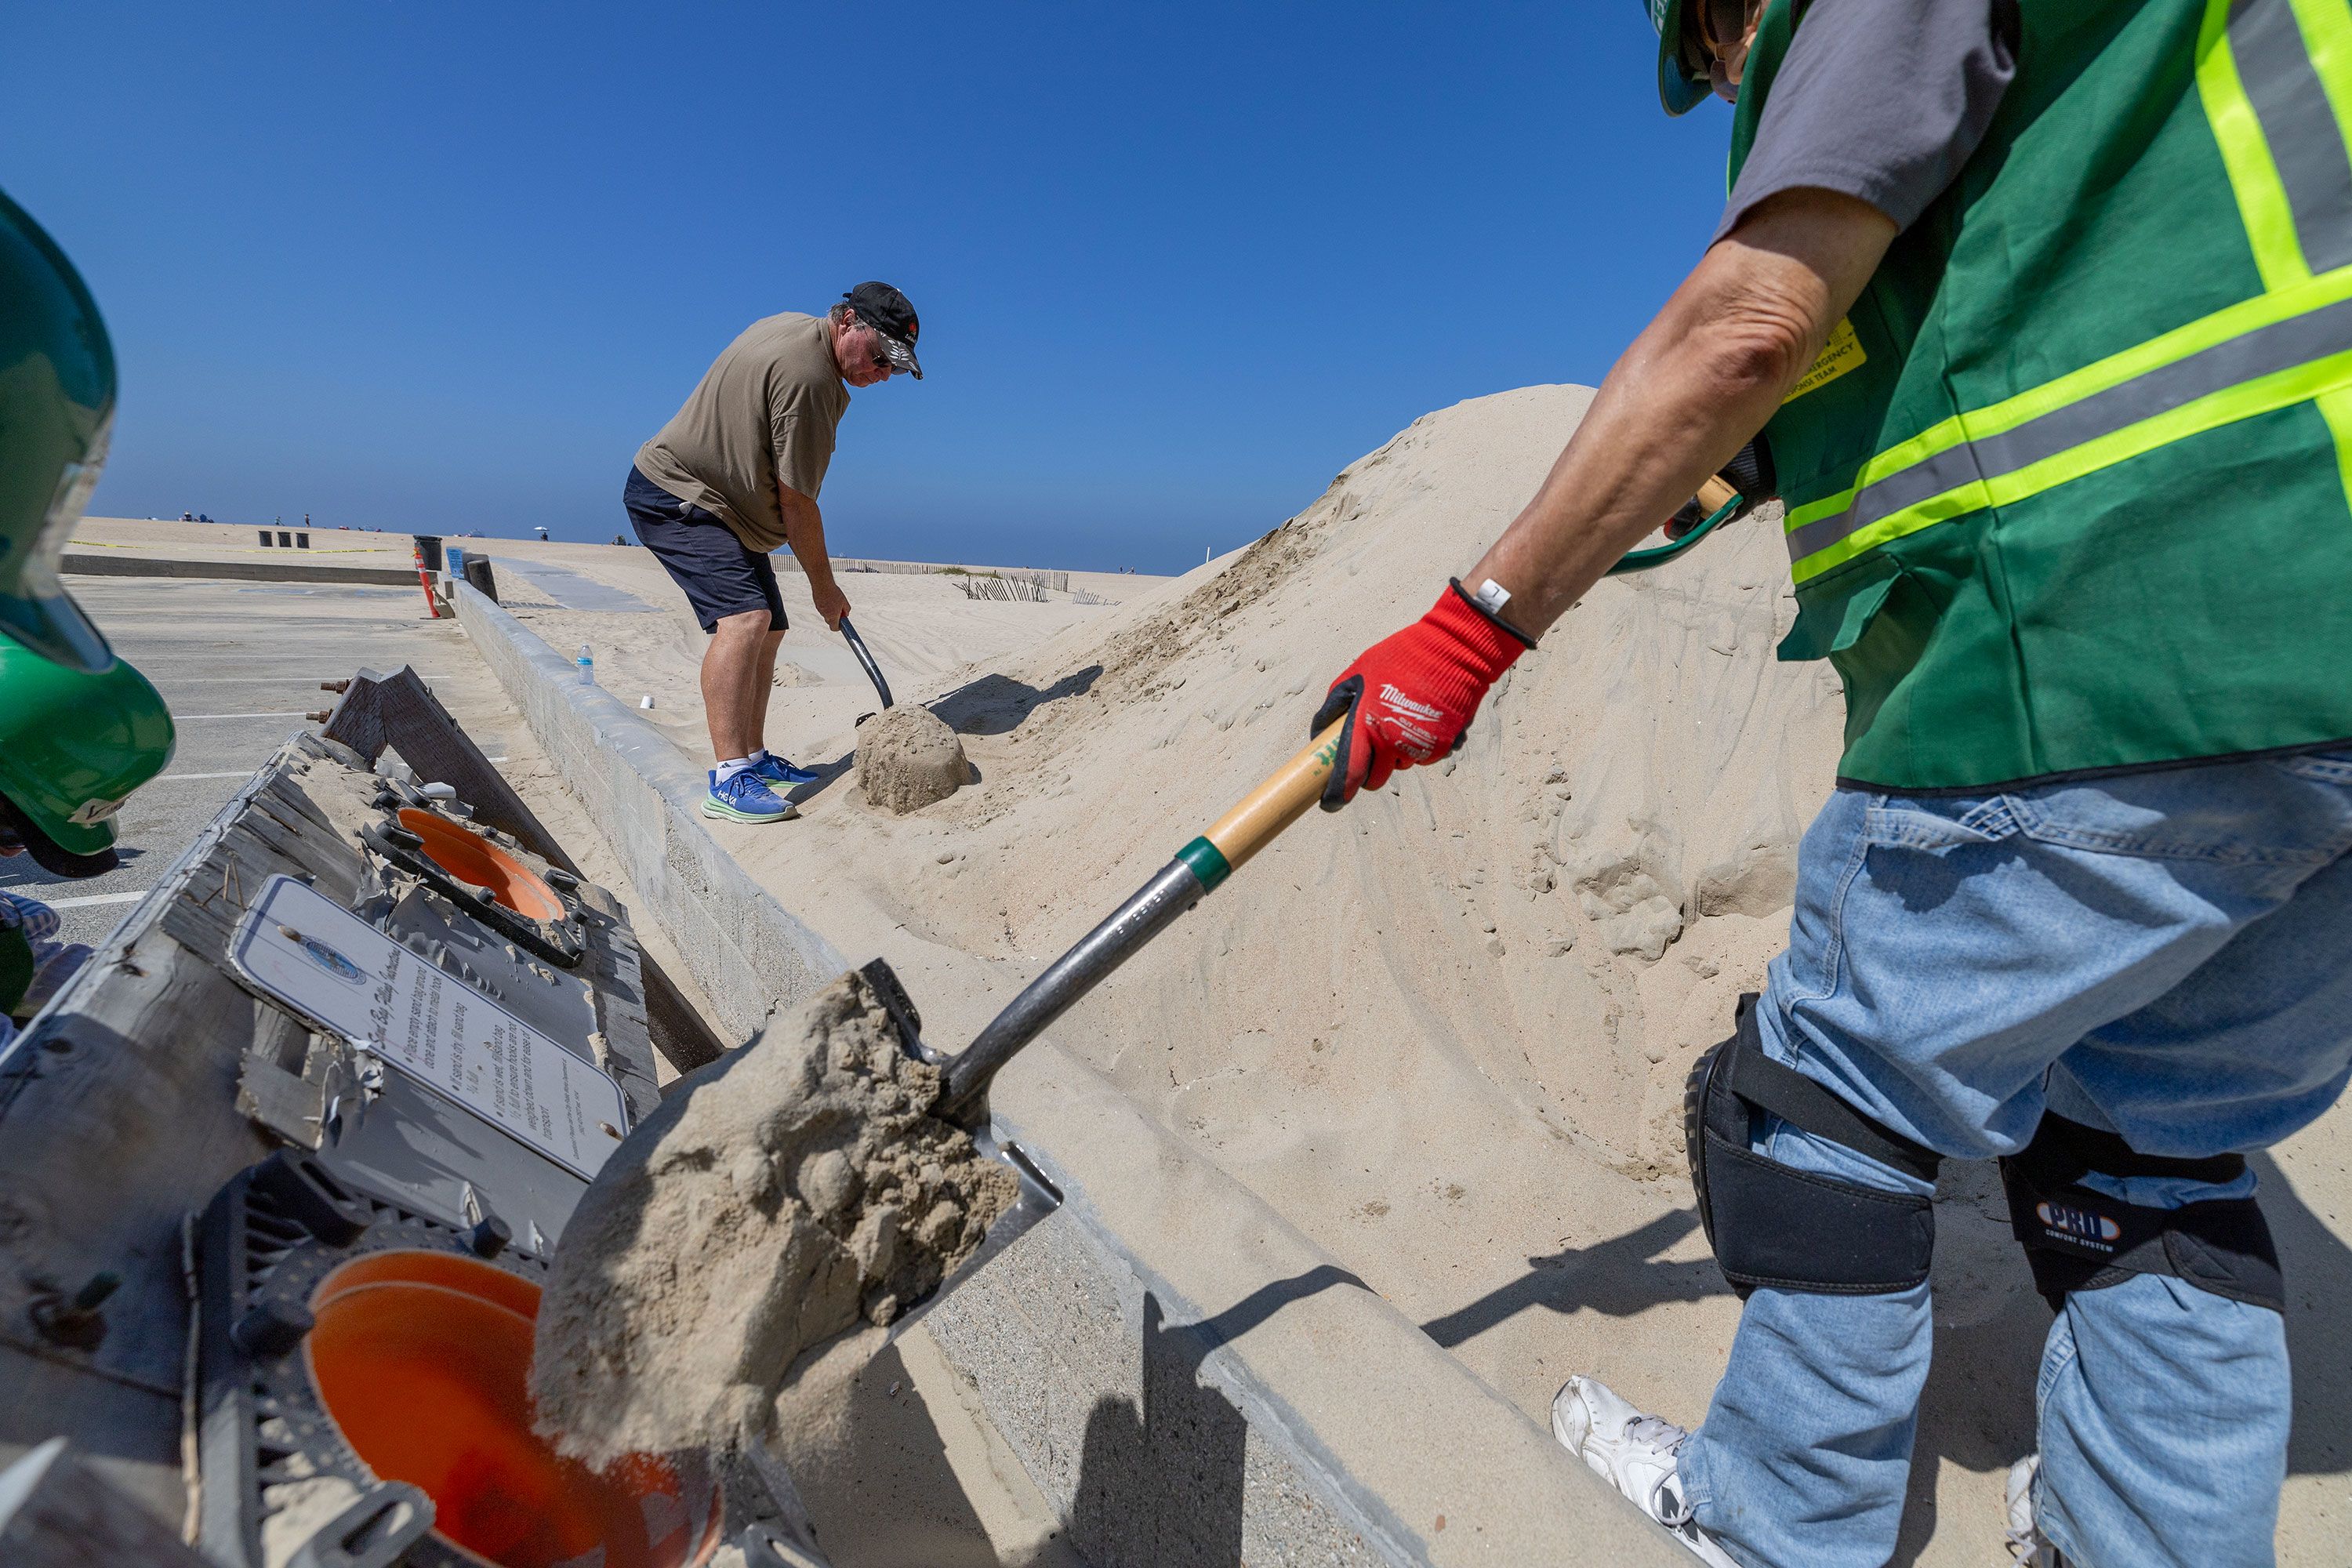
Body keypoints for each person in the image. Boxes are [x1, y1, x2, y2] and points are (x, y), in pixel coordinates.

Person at [1313, 2, 2352, 1564]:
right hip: (2318, 662)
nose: (1746, 85)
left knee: (1825, 1096)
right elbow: (2099, 235)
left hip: (2104, 631)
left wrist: (1469, 632)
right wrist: (1771, 453)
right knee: (2149, 1155)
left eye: (1726, 59)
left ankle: (1778, 1518)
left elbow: (1751, 321)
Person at [626, 282, 923, 824]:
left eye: (895, 369)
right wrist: (824, 588)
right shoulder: (813, 384)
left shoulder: (791, 324)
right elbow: (798, 504)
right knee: (745, 618)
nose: (882, 374)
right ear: (848, 322)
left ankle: (754, 758)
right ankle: (728, 779)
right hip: (680, 495)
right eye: (880, 357)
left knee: (772, 627)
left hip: (721, 505)